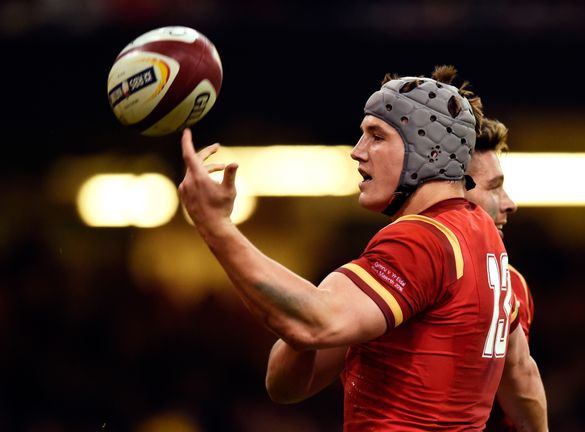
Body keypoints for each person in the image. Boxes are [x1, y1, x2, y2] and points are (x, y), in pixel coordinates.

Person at [178, 65, 545, 430]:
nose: (357, 151)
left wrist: (216, 226)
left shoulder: (423, 239)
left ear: (427, 151)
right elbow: (286, 382)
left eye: (376, 136)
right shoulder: (488, 245)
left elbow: (314, 324)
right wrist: (315, 312)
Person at [464, 118, 548, 431]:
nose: (510, 204)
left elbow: (522, 381)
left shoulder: (511, 284)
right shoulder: (387, 269)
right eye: (495, 187)